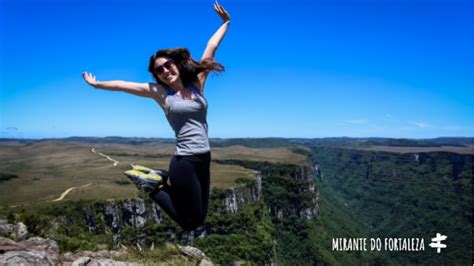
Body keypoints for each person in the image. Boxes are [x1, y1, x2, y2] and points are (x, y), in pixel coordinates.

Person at [82, 1, 230, 231]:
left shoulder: (197, 84)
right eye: (159, 70)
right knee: (189, 223)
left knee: (199, 218)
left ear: (177, 64)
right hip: (184, 162)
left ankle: (155, 183)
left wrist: (226, 23)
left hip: (204, 158)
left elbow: (211, 47)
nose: (164, 71)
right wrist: (97, 84)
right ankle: (153, 186)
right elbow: (123, 85)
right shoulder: (162, 95)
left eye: (167, 65)